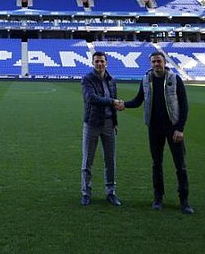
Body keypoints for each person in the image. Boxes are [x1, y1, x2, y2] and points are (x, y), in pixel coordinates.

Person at [121, 51, 194, 214]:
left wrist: (180, 129)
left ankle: (184, 201)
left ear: (164, 62)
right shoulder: (146, 79)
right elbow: (138, 100)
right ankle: (158, 198)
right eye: (153, 62)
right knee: (156, 164)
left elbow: (184, 106)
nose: (156, 64)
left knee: (180, 166)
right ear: (150, 63)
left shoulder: (175, 79)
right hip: (154, 128)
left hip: (173, 128)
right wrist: (123, 104)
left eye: (158, 61)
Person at [80, 51, 124, 207]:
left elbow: (113, 105)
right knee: (87, 161)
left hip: (108, 124)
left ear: (106, 63)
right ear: (92, 63)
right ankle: (86, 193)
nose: (99, 64)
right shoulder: (87, 79)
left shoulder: (111, 80)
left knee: (110, 160)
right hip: (92, 123)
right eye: (97, 61)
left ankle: (110, 192)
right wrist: (113, 102)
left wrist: (115, 121)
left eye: (102, 61)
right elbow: (91, 98)